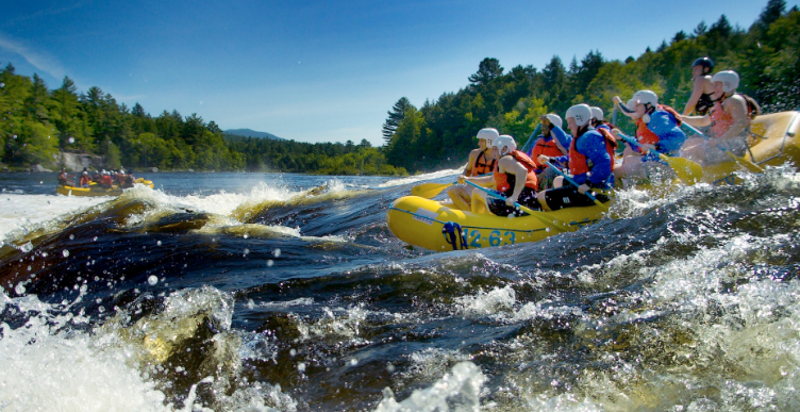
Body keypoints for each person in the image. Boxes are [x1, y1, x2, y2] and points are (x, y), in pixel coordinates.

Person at [535, 104, 615, 211]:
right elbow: (572, 159)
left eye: (570, 123)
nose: (568, 127)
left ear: (579, 120)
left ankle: (563, 218)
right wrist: (551, 160)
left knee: (542, 197)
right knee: (558, 180)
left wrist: (589, 183)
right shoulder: (583, 137)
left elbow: (604, 162)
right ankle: (568, 211)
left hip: (594, 190)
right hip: (584, 184)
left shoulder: (589, 137)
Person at [680, 70, 760, 165]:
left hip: (734, 147)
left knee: (694, 151)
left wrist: (720, 140)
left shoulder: (734, 100)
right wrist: (679, 117)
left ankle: (699, 174)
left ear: (727, 85)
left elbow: (741, 123)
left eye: (717, 85)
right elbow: (703, 121)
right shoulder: (722, 102)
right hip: (724, 144)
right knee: (688, 143)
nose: (714, 88)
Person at [611, 90, 686, 181]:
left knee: (618, 170)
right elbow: (640, 145)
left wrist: (656, 146)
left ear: (648, 105)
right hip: (655, 161)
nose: (635, 107)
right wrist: (622, 138)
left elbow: (679, 137)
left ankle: (611, 190)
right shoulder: (649, 119)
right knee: (625, 161)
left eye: (638, 105)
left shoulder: (658, 118)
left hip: (664, 164)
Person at [463, 135, 540, 216]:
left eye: (495, 149)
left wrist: (514, 197)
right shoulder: (511, 159)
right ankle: (484, 217)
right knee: (479, 191)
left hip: (516, 203)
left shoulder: (505, 160)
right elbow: (491, 180)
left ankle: (476, 219)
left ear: (504, 149)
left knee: (476, 192)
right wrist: (467, 179)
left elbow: (522, 171)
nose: (493, 152)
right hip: (528, 201)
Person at [447, 128, 500, 210]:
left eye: (482, 141)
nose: (479, 143)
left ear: (490, 141)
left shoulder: (501, 157)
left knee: (480, 192)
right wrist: (463, 176)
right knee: (451, 191)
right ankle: (468, 213)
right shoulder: (474, 154)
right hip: (471, 188)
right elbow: (468, 170)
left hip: (489, 191)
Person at [527, 113, 570, 189]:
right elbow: (527, 157)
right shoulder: (537, 141)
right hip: (536, 172)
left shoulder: (562, 141)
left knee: (549, 171)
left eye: (545, 126)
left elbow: (565, 143)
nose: (542, 128)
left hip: (554, 173)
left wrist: (555, 129)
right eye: (542, 125)